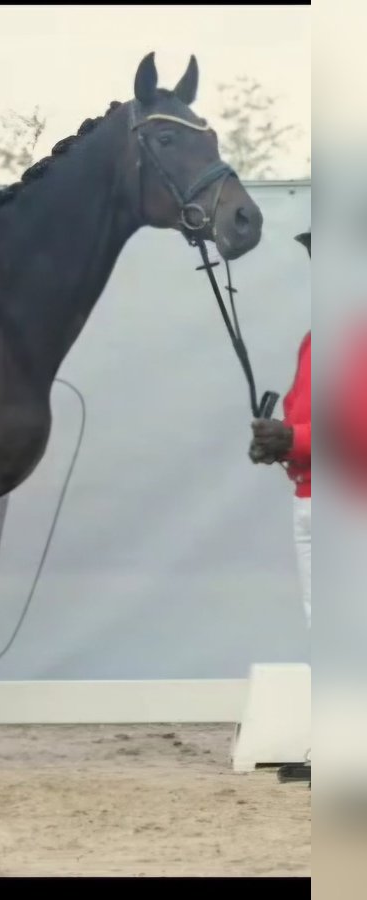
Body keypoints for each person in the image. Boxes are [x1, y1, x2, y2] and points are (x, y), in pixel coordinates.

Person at [247, 230, 311, 785]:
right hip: (312, 495)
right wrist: (276, 442)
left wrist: (291, 439)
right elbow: (299, 411)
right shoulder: (318, 339)